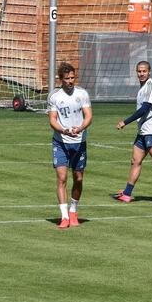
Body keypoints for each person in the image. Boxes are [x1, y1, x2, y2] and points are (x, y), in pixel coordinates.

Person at [112, 61, 152, 204]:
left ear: (149, 71)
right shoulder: (143, 88)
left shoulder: (151, 87)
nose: (141, 74)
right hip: (142, 131)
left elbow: (144, 109)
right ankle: (127, 193)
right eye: (139, 71)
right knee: (135, 161)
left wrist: (125, 122)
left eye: (144, 71)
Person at [48, 62, 93, 229]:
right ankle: (64, 216)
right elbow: (52, 120)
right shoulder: (54, 96)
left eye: (73, 77)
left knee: (78, 178)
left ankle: (74, 210)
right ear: (61, 79)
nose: (70, 81)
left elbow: (88, 116)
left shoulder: (82, 94)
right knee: (62, 178)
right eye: (67, 78)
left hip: (79, 142)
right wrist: (64, 131)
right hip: (60, 142)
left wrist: (80, 128)